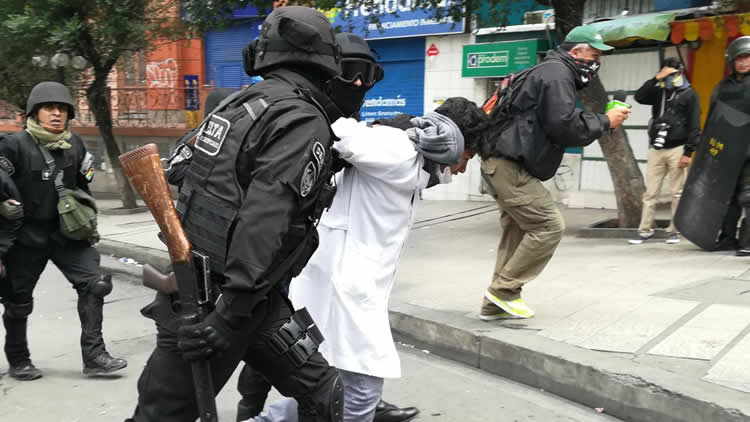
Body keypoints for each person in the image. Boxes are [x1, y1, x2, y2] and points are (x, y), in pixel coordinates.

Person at [243, 33, 488, 422]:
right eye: (468, 156)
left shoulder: (415, 163)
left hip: (349, 287)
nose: (462, 168)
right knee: (358, 395)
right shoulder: (400, 149)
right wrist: (384, 128)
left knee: (325, 388)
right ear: (452, 143)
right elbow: (342, 133)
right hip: (344, 288)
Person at [127, 7, 349, 421]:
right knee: (161, 415)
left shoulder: (242, 103)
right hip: (222, 304)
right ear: (325, 61)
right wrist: (229, 313)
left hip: (249, 299)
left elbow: (179, 166)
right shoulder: (300, 118)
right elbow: (266, 214)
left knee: (323, 392)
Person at [477, 25, 630, 321]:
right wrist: (605, 121)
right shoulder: (558, 74)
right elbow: (564, 125)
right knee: (549, 225)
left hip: (504, 164)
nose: (597, 62)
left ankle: (495, 303)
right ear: (576, 52)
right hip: (511, 167)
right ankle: (504, 290)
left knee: (518, 232)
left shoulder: (548, 71)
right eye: (594, 55)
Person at [0, 81, 127, 380]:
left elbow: (82, 188)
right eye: (49, 108)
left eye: (62, 109)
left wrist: (89, 224)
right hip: (25, 238)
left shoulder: (76, 145)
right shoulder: (14, 145)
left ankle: (94, 356)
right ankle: (19, 360)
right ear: (35, 112)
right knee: (18, 302)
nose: (56, 114)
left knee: (95, 284)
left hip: (66, 235)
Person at [674, 36, 750, 254]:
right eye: (739, 59)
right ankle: (727, 239)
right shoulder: (722, 87)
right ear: (731, 61)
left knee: (748, 197)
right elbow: (713, 120)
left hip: (749, 153)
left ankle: (747, 242)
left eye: (748, 58)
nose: (744, 63)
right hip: (726, 152)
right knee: (725, 196)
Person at [628, 57, 701, 245]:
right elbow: (639, 97)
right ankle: (644, 230)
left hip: (678, 148)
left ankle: (674, 231)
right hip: (656, 148)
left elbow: (695, 125)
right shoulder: (659, 91)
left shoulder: (690, 94)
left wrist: (688, 152)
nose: (670, 78)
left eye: (672, 74)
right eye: (666, 74)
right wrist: (657, 78)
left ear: (680, 73)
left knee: (677, 192)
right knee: (650, 193)